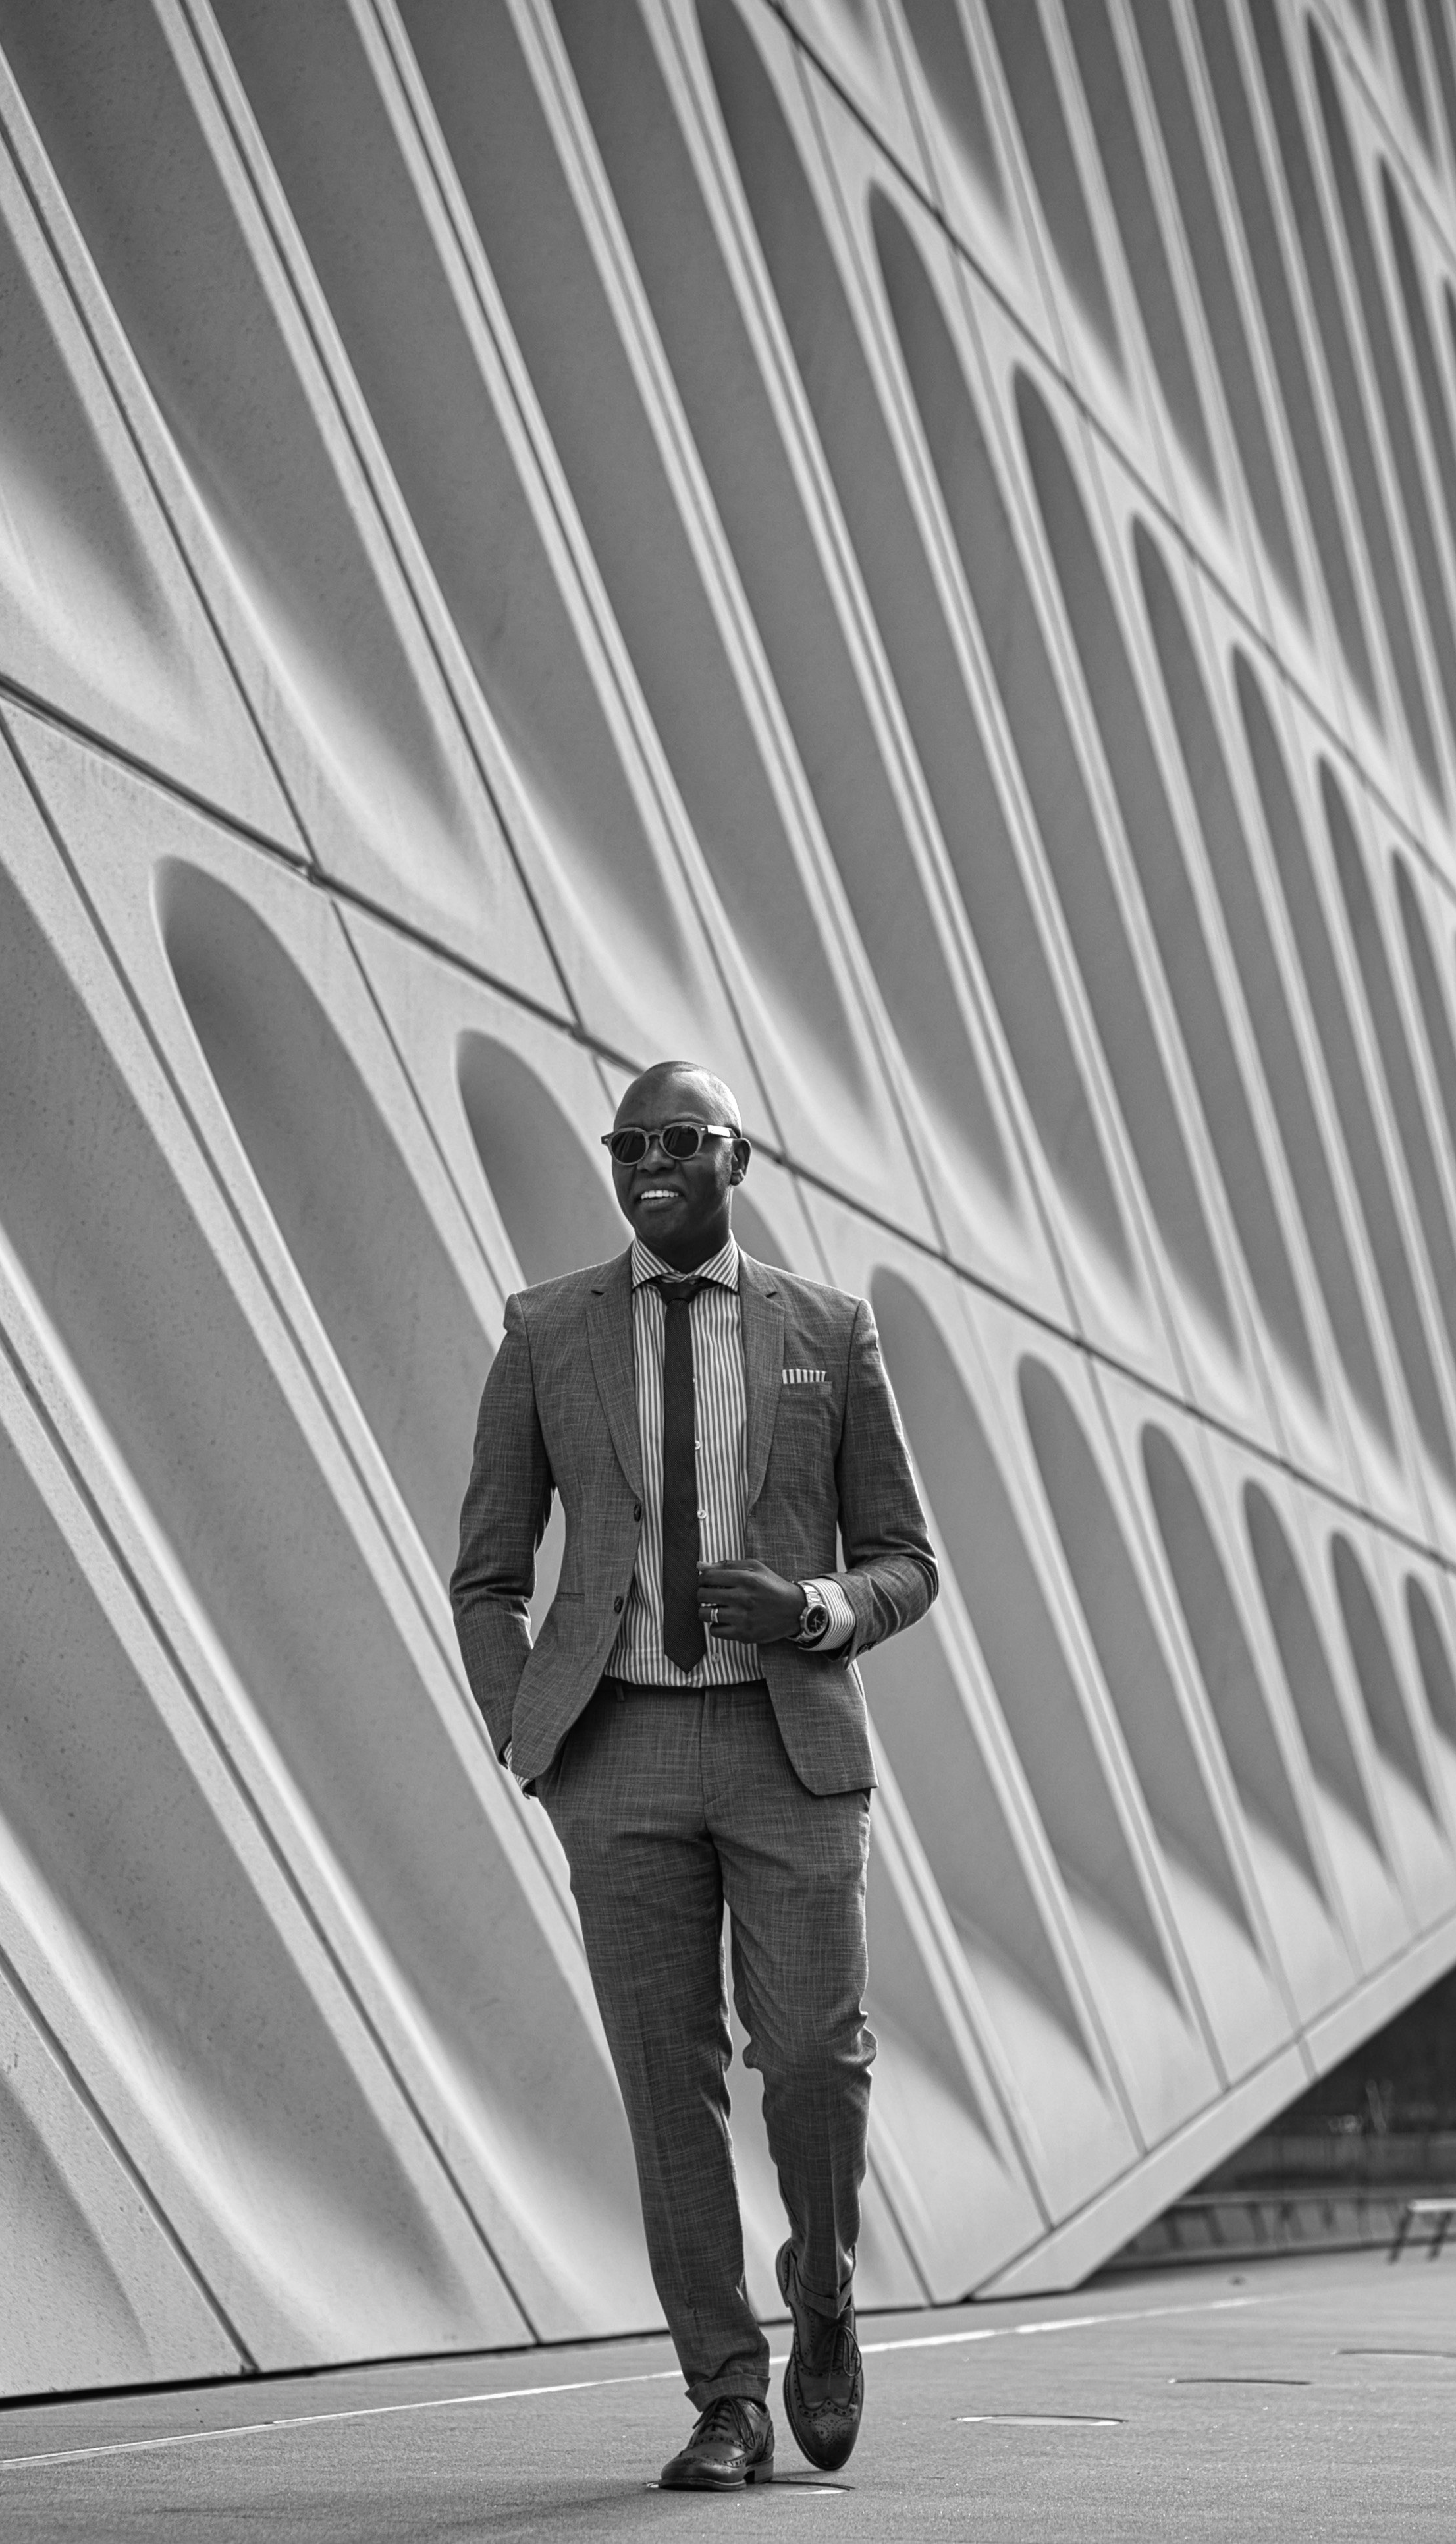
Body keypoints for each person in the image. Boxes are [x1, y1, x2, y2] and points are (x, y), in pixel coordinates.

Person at [452, 1060, 940, 2489]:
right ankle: (726, 2393)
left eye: (679, 1140)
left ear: (738, 1157)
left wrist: (817, 1608)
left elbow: (909, 1557)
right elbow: (488, 1570)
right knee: (668, 2088)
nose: (648, 1161)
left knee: (811, 2059)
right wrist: (528, 1725)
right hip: (622, 1751)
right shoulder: (545, 1330)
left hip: (787, 1747)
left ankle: (826, 2292)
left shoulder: (829, 1332)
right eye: (628, 1144)